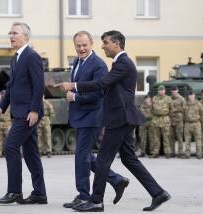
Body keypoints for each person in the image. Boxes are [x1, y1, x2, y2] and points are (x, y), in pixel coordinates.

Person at [60, 30, 170, 212]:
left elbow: (101, 84)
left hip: (119, 118)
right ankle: (158, 193)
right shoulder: (119, 63)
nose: (102, 46)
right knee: (129, 159)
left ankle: (96, 201)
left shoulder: (123, 63)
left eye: (105, 42)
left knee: (102, 160)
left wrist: (74, 86)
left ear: (117, 43)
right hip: (123, 117)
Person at [63, 31, 129, 209]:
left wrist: (75, 97)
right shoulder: (77, 61)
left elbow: (99, 92)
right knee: (87, 156)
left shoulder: (98, 65)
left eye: (85, 45)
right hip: (80, 116)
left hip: (92, 117)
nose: (82, 48)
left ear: (91, 43)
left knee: (81, 156)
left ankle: (84, 196)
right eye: (78, 45)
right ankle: (117, 180)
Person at [0, 22, 47, 205]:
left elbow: (39, 86)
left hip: (27, 114)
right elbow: (11, 87)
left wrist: (33, 110)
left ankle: (14, 191)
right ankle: (40, 193)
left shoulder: (32, 56)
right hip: (19, 112)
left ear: (25, 36)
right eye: (10, 33)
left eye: (14, 33)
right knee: (31, 154)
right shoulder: (15, 58)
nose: (11, 36)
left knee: (10, 147)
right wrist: (1, 107)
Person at [150, 85, 172, 158]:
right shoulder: (154, 98)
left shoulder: (168, 98)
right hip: (156, 120)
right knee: (156, 138)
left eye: (162, 90)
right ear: (158, 91)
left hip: (165, 119)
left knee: (166, 138)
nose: (161, 91)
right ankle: (155, 152)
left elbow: (171, 110)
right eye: (160, 90)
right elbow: (151, 109)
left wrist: (167, 117)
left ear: (164, 91)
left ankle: (167, 153)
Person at [183, 91, 203, 159]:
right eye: (189, 95)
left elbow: (202, 113)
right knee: (187, 140)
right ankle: (187, 154)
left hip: (196, 124)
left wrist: (199, 120)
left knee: (198, 140)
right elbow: (183, 113)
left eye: (192, 95)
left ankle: (199, 154)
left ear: (194, 96)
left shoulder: (198, 103)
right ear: (188, 96)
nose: (191, 96)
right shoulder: (185, 104)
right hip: (187, 124)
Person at [170, 86, 186, 158]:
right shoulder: (169, 99)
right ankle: (172, 152)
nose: (174, 92)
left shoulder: (182, 99)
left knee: (179, 137)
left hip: (179, 120)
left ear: (177, 91)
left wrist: (176, 109)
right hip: (171, 120)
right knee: (171, 137)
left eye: (175, 91)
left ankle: (180, 152)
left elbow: (185, 109)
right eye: (172, 91)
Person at [0, 91, 12, 157]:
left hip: (7, 123)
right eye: (2, 95)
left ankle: (9, 153)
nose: (3, 96)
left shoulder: (11, 103)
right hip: (0, 123)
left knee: (9, 139)